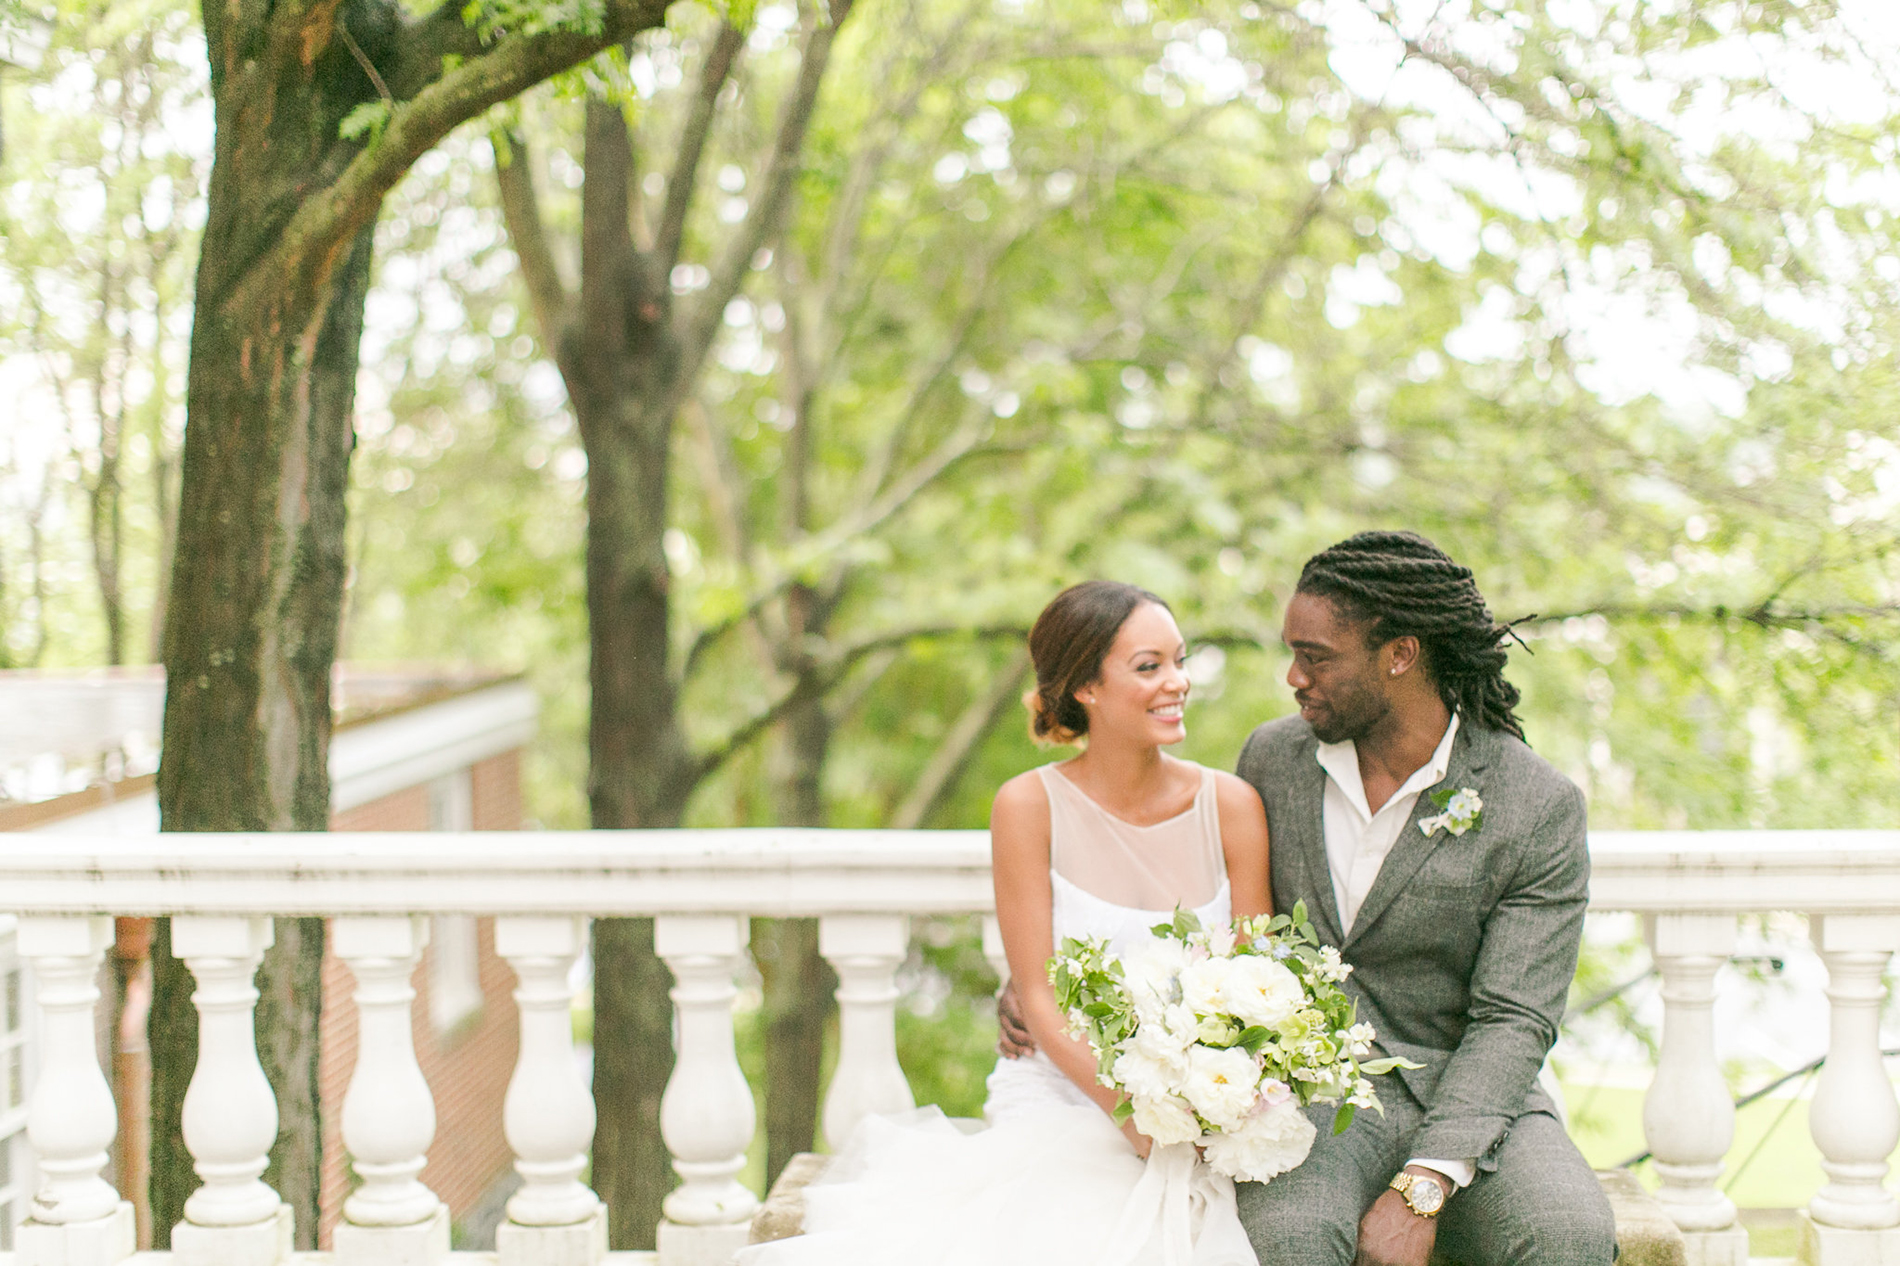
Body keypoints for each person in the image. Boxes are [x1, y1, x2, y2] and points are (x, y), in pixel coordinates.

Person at [1000, 531, 1614, 1266]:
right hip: (1310, 1099)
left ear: (1400, 655)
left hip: (1473, 1093)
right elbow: (1215, 920)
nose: (1293, 676)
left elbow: (1514, 1019)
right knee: (1285, 1241)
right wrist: (1046, 981)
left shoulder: (1535, 804)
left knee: (1569, 1238)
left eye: (1315, 657)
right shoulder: (1275, 759)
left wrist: (1426, 1182)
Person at [736, 580, 1271, 1266]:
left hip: (1203, 1109)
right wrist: (1137, 1120)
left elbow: (1262, 982)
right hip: (1063, 1101)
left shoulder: (1231, 805)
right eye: (1149, 667)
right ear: (1086, 688)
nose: (1177, 682)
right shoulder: (1028, 807)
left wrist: (1208, 1107)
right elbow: (1040, 999)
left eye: (1180, 659)